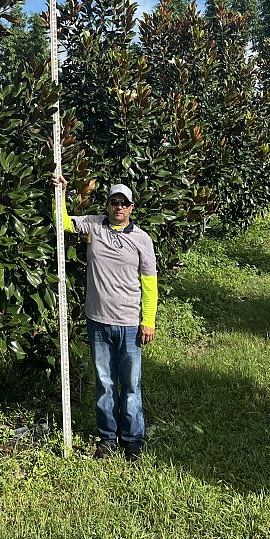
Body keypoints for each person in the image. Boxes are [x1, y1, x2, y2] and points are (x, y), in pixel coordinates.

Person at [53, 175, 157, 461]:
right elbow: (63, 223)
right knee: (104, 382)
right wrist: (60, 192)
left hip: (130, 324)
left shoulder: (142, 240)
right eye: (114, 202)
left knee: (131, 384)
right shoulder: (95, 225)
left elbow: (149, 283)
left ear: (132, 208)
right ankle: (107, 439)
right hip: (98, 320)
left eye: (124, 203)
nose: (118, 208)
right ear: (107, 205)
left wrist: (148, 320)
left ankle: (133, 440)